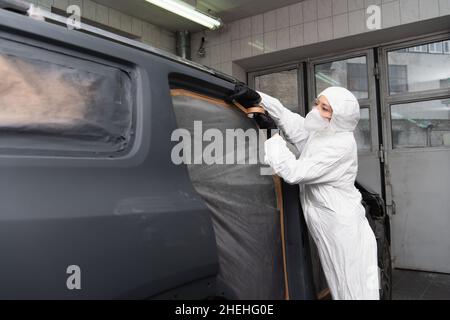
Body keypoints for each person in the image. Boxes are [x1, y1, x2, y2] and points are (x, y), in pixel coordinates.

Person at [228, 85, 380, 300]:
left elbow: (292, 172)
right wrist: (259, 97)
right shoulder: (321, 132)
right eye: (317, 103)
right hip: (328, 225)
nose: (317, 110)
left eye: (325, 108)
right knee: (340, 285)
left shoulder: (341, 145)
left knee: (355, 289)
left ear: (340, 118)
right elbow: (288, 118)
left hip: (344, 230)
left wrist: (270, 133)